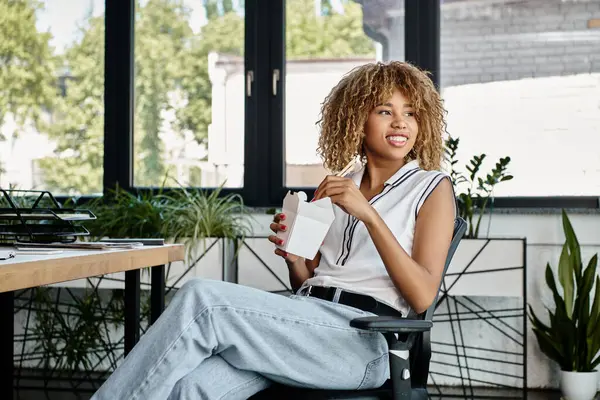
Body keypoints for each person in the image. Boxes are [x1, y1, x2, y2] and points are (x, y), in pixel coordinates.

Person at [91, 61, 456, 400]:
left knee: (203, 300)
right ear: (357, 119)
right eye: (385, 111)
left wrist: (370, 217)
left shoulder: (431, 187)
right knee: (191, 386)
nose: (400, 123)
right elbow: (309, 284)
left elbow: (422, 295)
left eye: (410, 113)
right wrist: (295, 259)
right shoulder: (340, 185)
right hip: (304, 322)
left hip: (362, 343)